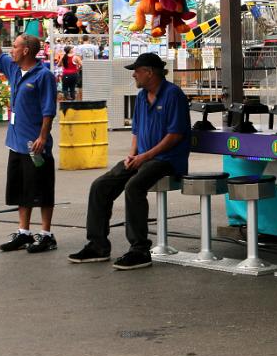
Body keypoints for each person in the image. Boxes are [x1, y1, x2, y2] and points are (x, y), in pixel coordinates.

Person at [68, 52, 191, 270]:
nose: (133, 75)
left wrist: (145, 156)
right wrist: (132, 154)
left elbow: (175, 135)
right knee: (100, 185)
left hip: (167, 160)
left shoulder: (174, 95)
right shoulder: (142, 97)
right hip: (142, 158)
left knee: (133, 187)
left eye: (136, 71)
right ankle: (97, 245)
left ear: (149, 72)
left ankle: (139, 250)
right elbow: (136, 130)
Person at [0, 15, 59, 254]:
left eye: (15, 46)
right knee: (21, 188)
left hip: (35, 144)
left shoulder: (43, 75)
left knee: (42, 188)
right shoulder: (14, 70)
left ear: (26, 50)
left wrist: (43, 137)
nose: (11, 50)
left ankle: (46, 234)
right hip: (16, 143)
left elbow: (49, 109)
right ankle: (24, 232)